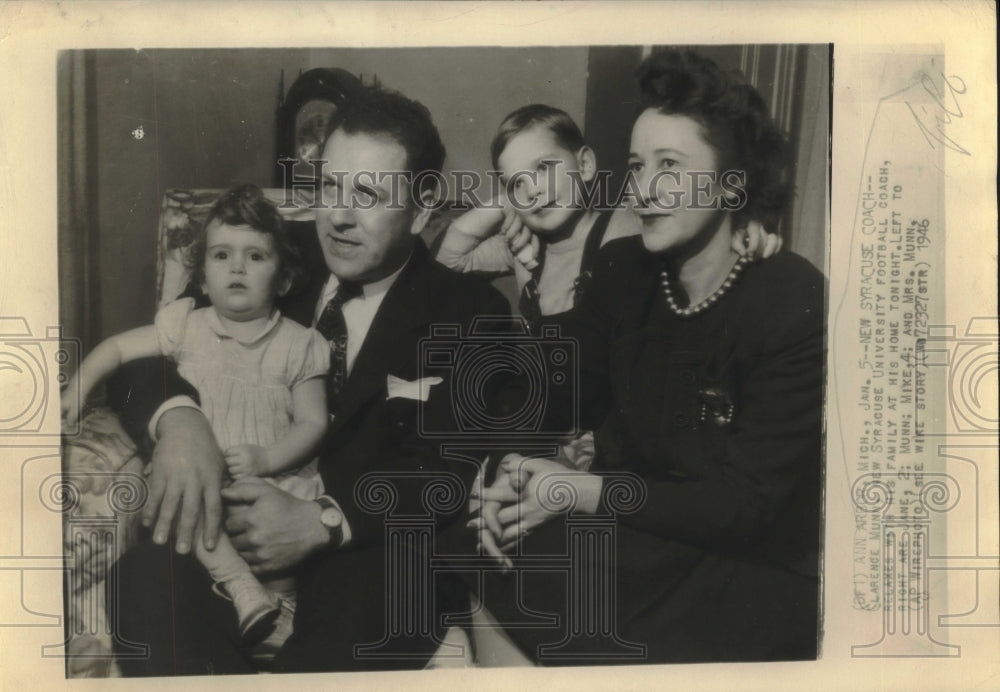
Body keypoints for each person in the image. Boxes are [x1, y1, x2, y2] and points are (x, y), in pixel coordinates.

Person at [108, 83, 510, 674]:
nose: (339, 217)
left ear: (423, 209)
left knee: (373, 609)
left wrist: (324, 520)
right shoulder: (270, 256)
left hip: (369, 559)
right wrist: (180, 420)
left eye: (368, 194)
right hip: (229, 540)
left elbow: (451, 469)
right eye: (330, 187)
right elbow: (147, 357)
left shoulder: (471, 312)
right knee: (143, 579)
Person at [473, 48, 825, 664]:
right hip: (643, 529)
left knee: (555, 599)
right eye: (637, 165)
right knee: (485, 545)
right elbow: (553, 398)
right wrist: (508, 471)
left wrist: (583, 492)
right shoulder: (623, 271)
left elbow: (745, 506)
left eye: (671, 165)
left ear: (731, 181)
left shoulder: (790, 296)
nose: (643, 188)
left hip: (744, 565)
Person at [63, 184, 329, 642]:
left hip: (271, 478)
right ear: (203, 277)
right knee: (179, 506)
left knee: (279, 547)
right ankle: (240, 588)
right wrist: (79, 385)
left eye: (256, 257)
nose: (237, 267)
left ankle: (281, 614)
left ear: (283, 278)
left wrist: (268, 460)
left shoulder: (300, 344)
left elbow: (313, 422)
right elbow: (118, 348)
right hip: (201, 480)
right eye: (222, 256)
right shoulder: (186, 324)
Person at [435, 104, 782, 331]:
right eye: (516, 183)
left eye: (543, 168)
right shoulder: (523, 245)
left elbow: (689, 226)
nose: (534, 191)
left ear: (585, 165)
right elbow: (449, 261)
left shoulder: (625, 224)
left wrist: (743, 227)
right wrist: (504, 203)